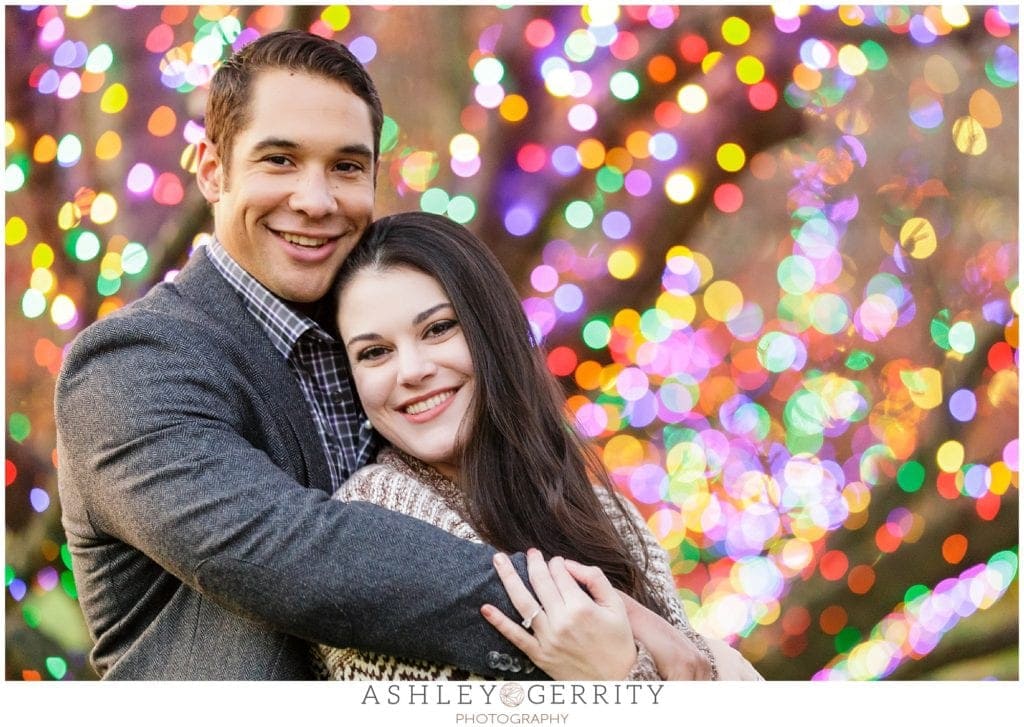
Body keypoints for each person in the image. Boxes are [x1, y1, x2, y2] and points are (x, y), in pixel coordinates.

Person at [54, 30, 541, 680]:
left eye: (345, 167)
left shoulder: (377, 337)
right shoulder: (129, 363)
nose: (316, 202)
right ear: (210, 168)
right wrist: (579, 612)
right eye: (279, 160)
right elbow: (294, 550)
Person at [320, 212, 762, 680]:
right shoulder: (369, 530)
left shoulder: (609, 515)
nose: (410, 370)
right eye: (374, 352)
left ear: (494, 330)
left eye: (438, 329)